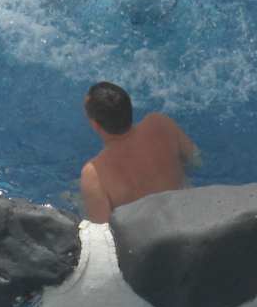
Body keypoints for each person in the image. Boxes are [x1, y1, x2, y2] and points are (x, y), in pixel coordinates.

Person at [79, 81, 199, 223]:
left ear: (95, 125)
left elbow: (101, 229)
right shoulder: (160, 123)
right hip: (188, 211)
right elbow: (196, 160)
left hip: (151, 232)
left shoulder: (94, 175)